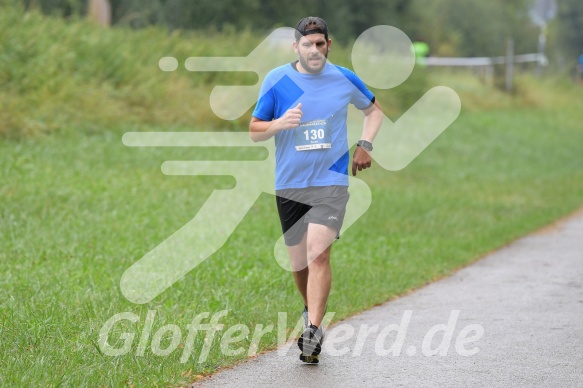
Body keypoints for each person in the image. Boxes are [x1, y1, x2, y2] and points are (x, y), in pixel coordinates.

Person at [249, 16, 383, 363]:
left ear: (328, 45)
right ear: (296, 47)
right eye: (307, 44)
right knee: (298, 261)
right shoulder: (278, 80)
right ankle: (311, 310)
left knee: (319, 253)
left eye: (319, 44)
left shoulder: (342, 77)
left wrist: (365, 144)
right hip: (290, 182)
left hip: (331, 180)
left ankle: (313, 330)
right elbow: (255, 129)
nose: (314, 50)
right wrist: (279, 123)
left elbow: (374, 111)